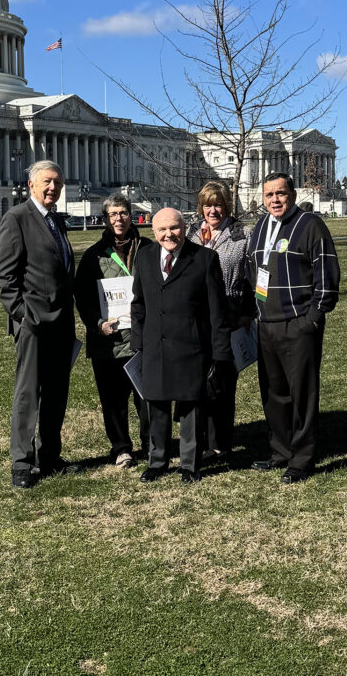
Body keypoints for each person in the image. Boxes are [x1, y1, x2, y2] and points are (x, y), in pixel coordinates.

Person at [246, 172, 340, 484]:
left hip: (298, 322)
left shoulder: (310, 224)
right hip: (267, 323)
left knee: (302, 393)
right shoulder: (261, 226)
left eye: (281, 193)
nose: (275, 199)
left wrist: (313, 316)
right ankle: (281, 452)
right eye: (269, 194)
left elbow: (326, 273)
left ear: (292, 195)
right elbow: (254, 270)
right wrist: (256, 310)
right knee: (274, 393)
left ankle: (301, 459)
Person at [130, 208, 230, 484]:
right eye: (162, 230)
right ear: (153, 232)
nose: (168, 234)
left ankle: (190, 464)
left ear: (185, 228)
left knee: (190, 408)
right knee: (156, 407)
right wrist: (138, 343)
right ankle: (157, 461)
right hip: (154, 347)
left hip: (191, 347)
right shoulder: (145, 256)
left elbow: (217, 311)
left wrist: (220, 353)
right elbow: (138, 303)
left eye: (174, 228)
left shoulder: (205, 258)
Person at [0, 160, 76, 489]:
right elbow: (4, 275)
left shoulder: (57, 220)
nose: (53, 187)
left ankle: (50, 456)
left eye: (58, 182)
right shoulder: (17, 218)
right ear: (31, 185)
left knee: (56, 392)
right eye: (47, 182)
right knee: (28, 394)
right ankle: (22, 463)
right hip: (34, 323)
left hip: (61, 322)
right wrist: (22, 314)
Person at [75, 193, 151, 467]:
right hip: (109, 341)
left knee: (148, 397)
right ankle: (121, 448)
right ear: (106, 219)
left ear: (131, 216)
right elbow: (83, 297)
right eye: (113, 214)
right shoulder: (94, 255)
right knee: (113, 400)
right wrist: (98, 323)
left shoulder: (148, 249)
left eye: (123, 213)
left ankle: (152, 445)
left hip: (144, 337)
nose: (119, 219)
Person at [187, 181, 252, 460]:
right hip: (196, 317)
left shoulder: (242, 235)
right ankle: (198, 440)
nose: (213, 210)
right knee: (197, 380)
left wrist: (247, 312)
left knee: (223, 381)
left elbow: (253, 276)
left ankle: (219, 443)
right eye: (207, 205)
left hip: (228, 313)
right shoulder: (191, 234)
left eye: (218, 205)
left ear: (227, 206)